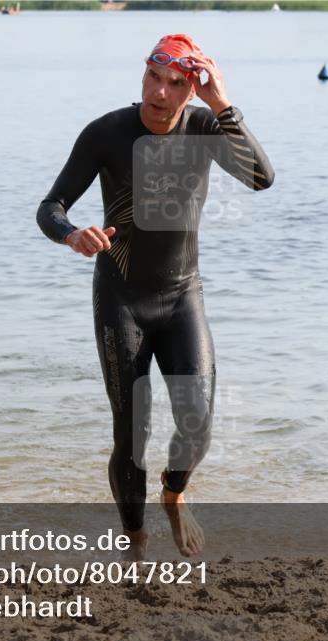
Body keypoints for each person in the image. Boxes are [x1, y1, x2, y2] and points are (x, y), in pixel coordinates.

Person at [36, 34, 274, 559]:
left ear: (191, 89)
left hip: (182, 295)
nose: (160, 93)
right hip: (121, 298)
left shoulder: (206, 126)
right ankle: (136, 542)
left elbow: (262, 178)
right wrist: (71, 233)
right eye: (153, 78)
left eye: (174, 84)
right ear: (143, 74)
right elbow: (50, 205)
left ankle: (174, 493)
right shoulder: (107, 132)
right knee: (132, 434)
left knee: (199, 425)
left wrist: (223, 105)